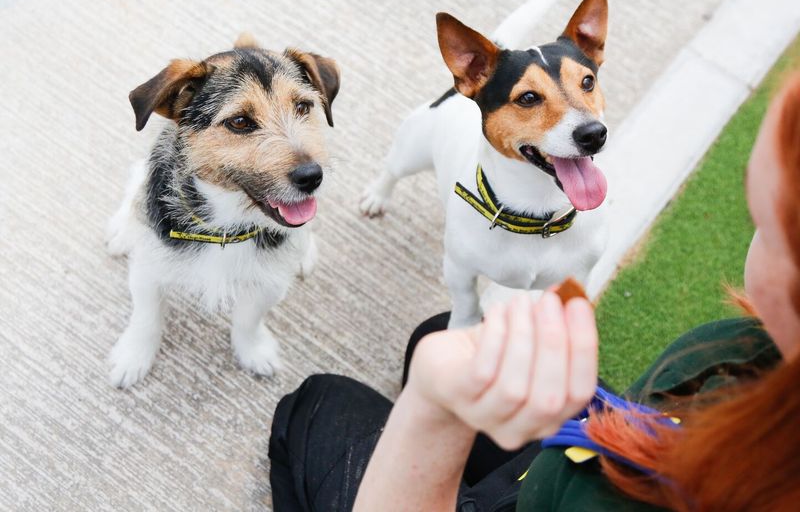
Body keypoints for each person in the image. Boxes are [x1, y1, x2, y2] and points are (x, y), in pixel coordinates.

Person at [268, 73, 800, 511]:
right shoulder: (757, 347)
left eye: (762, 224)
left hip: (554, 489)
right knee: (444, 331)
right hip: (587, 448)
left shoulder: (619, 502)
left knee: (315, 401)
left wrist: (431, 410)